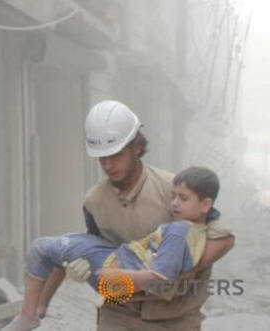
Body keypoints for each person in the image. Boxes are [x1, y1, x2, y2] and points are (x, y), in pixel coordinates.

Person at [53, 100, 233, 331]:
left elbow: (223, 238)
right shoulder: (93, 202)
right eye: (102, 157)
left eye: (116, 154)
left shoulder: (175, 189)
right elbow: (97, 247)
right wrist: (82, 266)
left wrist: (185, 269)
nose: (108, 165)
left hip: (175, 318)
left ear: (136, 146)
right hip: (117, 313)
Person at [2, 166, 229, 331]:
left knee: (42, 248)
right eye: (174, 197)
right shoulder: (193, 229)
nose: (174, 203)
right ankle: (36, 310)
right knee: (57, 248)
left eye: (183, 198)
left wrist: (115, 277)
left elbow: (160, 277)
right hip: (120, 278)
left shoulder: (180, 228)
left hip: (121, 275)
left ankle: (30, 314)